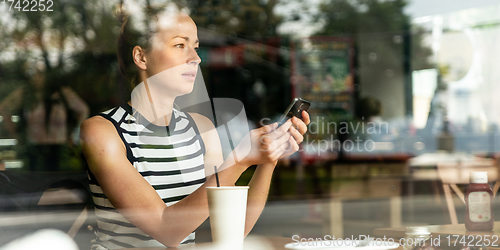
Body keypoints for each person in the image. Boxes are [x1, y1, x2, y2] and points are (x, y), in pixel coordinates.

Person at [79, 4, 310, 249]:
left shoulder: (200, 128)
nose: (196, 58)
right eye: (180, 45)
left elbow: (231, 230)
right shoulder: (104, 132)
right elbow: (165, 229)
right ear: (141, 57)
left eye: (196, 47)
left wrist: (267, 159)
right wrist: (240, 159)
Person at [0, 65, 89, 171]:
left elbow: (83, 110)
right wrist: (16, 133)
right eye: (34, 74)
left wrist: (75, 135)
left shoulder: (63, 94)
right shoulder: (25, 94)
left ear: (48, 76)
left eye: (40, 74)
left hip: (60, 148)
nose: (37, 77)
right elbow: (4, 109)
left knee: (60, 183)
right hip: (33, 148)